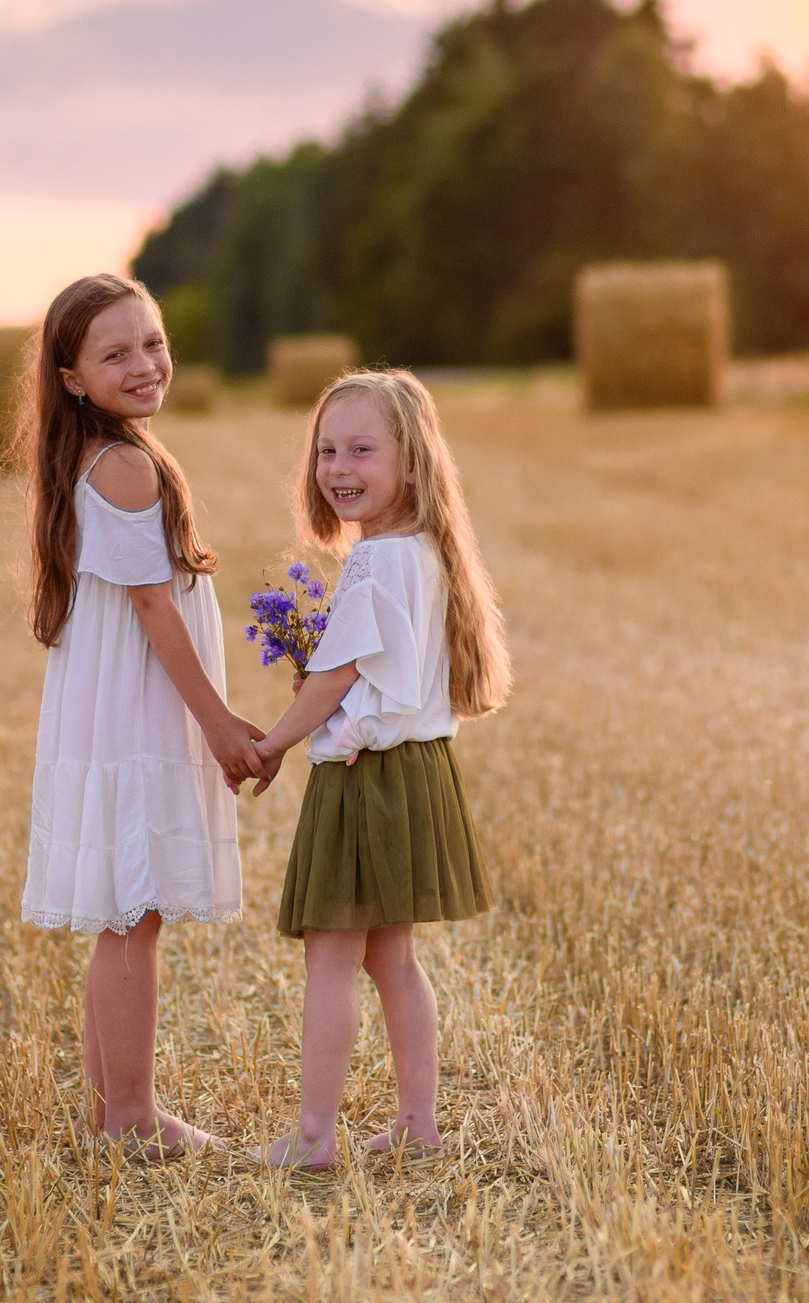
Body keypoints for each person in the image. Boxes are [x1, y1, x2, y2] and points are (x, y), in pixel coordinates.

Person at [17, 273, 267, 1156]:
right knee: (133, 915)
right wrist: (222, 724)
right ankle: (130, 1116)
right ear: (74, 376)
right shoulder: (123, 465)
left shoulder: (99, 454)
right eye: (116, 352)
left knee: (126, 913)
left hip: (116, 708)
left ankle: (113, 1112)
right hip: (139, 711)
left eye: (153, 342)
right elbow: (157, 611)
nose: (146, 363)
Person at [250, 369, 511, 1168]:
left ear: (412, 461)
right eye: (327, 449)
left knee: (331, 953)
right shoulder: (425, 552)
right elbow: (367, 669)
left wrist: (272, 742)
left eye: (361, 448)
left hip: (367, 778)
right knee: (389, 955)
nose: (338, 466)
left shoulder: (374, 564)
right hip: (418, 772)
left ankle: (315, 1136)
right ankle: (417, 1121)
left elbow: (332, 682)